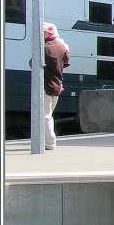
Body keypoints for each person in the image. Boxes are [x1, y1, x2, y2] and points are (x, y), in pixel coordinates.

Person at [43, 22, 70, 150]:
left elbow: (33, 63)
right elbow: (65, 63)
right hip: (58, 84)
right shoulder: (62, 47)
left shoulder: (46, 48)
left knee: (45, 116)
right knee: (49, 115)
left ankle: (50, 143)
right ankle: (47, 141)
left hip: (46, 85)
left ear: (47, 33)